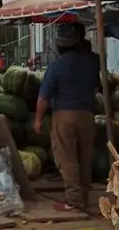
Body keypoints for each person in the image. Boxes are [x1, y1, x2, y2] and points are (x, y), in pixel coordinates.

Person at [34, 23, 100, 213]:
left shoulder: (57, 65)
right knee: (84, 158)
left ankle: (74, 201)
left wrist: (38, 120)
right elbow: (97, 87)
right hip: (87, 115)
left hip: (64, 115)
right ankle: (84, 196)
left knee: (68, 159)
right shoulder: (93, 61)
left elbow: (44, 97)